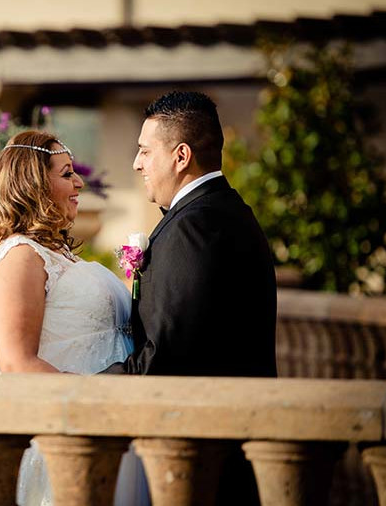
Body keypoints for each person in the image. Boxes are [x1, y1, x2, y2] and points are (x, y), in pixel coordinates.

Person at [0, 130, 149, 505]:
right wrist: (94, 403)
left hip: (111, 426)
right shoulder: (20, 256)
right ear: (32, 183)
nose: (79, 181)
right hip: (71, 431)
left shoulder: (60, 254)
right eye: (66, 174)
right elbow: (17, 363)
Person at [109, 91, 277, 504]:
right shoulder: (225, 211)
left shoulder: (194, 227)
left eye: (146, 151)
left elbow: (166, 354)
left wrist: (88, 385)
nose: (137, 163)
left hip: (206, 455)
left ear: (180, 156)